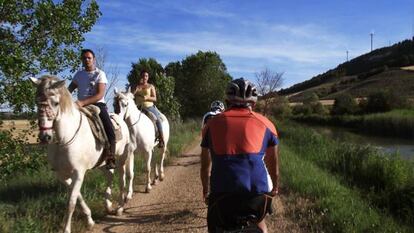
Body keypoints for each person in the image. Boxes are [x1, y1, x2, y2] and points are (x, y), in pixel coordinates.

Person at [200, 78, 280, 233]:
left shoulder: (211, 125)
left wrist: (205, 190)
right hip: (257, 196)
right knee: (260, 223)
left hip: (223, 196)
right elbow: (273, 166)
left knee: (215, 225)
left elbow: (205, 167)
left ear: (226, 101)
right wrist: (275, 188)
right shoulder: (268, 124)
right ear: (254, 104)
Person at [68, 49, 116, 169]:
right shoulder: (79, 75)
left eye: (89, 58)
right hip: (80, 106)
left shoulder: (100, 74)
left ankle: (111, 156)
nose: (86, 60)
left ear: (94, 59)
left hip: (97, 105)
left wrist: (82, 102)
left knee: (109, 128)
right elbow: (69, 90)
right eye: (84, 58)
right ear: (82, 60)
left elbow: (100, 95)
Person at [132, 70, 164, 148]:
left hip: (149, 107)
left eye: (146, 76)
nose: (144, 77)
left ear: (148, 77)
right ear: (141, 77)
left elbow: (155, 98)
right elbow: (131, 95)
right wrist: (135, 90)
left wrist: (147, 97)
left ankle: (161, 138)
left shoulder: (151, 86)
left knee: (157, 119)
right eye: (143, 76)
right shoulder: (137, 86)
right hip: (138, 108)